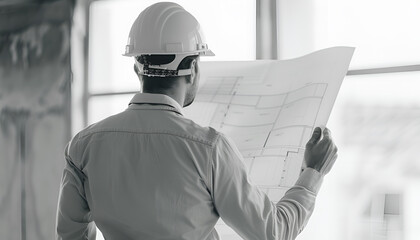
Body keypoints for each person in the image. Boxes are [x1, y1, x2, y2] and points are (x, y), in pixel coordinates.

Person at [55, 2, 338, 240]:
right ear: (192, 68)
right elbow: (274, 231)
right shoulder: (210, 148)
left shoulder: (82, 146)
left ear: (137, 69)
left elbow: (71, 236)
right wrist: (313, 172)